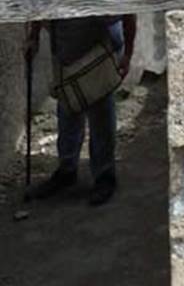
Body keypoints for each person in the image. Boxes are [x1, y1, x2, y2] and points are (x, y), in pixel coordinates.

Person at [25, 14, 136, 206]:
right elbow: (38, 7)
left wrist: (127, 55)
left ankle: (104, 176)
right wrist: (33, 38)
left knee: (100, 112)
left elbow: (128, 14)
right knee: (68, 110)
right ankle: (67, 170)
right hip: (66, 54)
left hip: (96, 53)